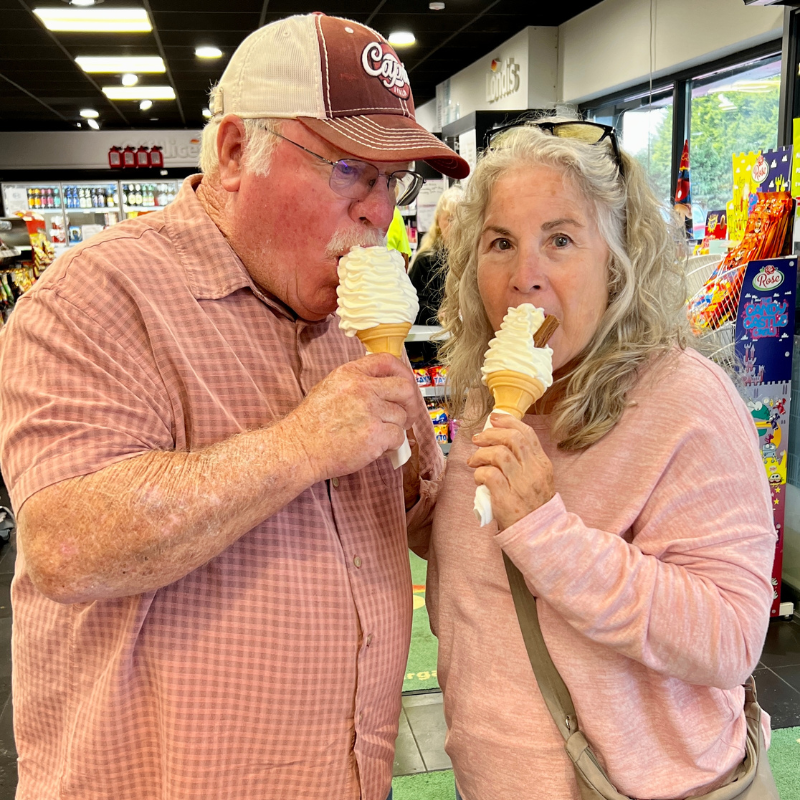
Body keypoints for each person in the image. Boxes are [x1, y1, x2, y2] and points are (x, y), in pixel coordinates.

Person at [0, 13, 468, 800]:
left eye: (394, 180)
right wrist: (304, 445)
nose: (379, 212)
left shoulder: (352, 327)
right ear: (232, 153)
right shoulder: (97, 293)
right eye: (350, 168)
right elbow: (66, 545)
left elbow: (407, 518)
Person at [424, 117, 776, 800]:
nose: (525, 276)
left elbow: (732, 638)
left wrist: (547, 533)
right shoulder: (486, 401)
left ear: (617, 262)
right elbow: (486, 601)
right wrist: (427, 516)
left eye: (560, 239)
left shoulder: (684, 401)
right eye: (501, 243)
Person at [408, 185, 463, 325]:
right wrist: (437, 314)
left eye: (461, 218)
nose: (456, 225)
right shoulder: (425, 260)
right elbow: (410, 307)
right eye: (450, 219)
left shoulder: (473, 259)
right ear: (438, 221)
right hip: (430, 341)